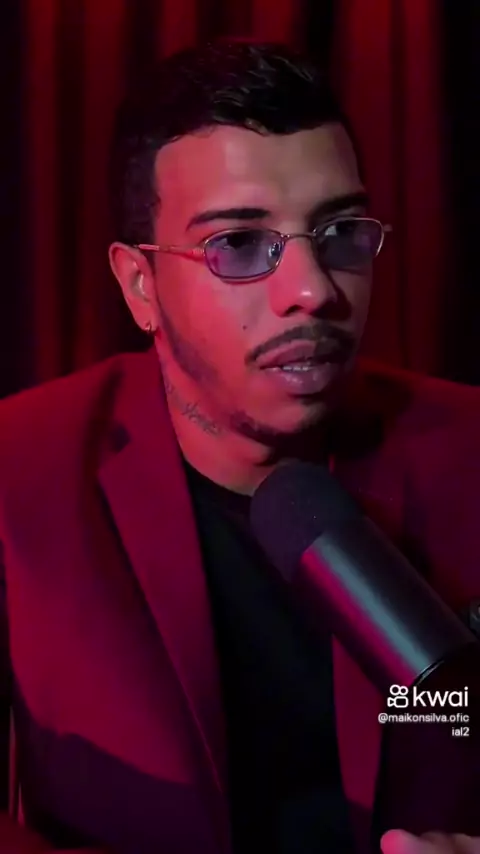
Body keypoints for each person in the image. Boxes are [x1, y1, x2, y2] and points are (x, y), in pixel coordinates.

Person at [0, 40, 479, 854]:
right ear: (140, 284)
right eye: (238, 245)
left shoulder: (467, 451)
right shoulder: (21, 473)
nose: (313, 290)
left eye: (340, 232)